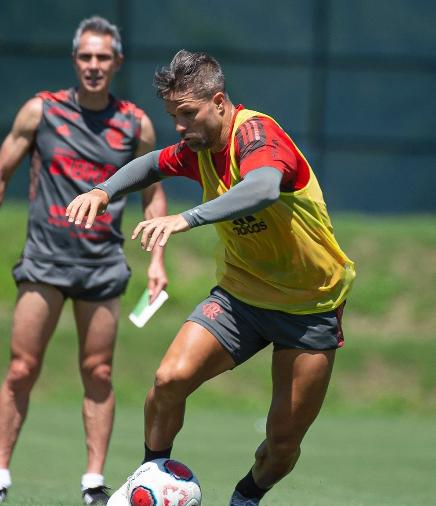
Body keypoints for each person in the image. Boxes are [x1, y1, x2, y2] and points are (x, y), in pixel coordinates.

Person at [66, 50, 356, 506]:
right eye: (173, 116)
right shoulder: (198, 149)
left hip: (309, 306)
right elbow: (149, 164)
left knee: (282, 443)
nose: (180, 126)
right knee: (168, 381)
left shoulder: (257, 134)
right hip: (242, 297)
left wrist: (187, 219)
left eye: (188, 114)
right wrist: (103, 191)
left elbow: (261, 188)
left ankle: (244, 499)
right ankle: (154, 478)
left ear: (219, 102)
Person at [0, 16, 168, 505]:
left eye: (103, 57)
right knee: (21, 369)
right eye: (86, 56)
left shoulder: (135, 123)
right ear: (75, 60)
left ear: (117, 62)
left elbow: (154, 194)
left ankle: (94, 483)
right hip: (45, 261)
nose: (94, 65)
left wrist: (158, 258)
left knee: (98, 372)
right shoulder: (42, 111)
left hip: (102, 265)